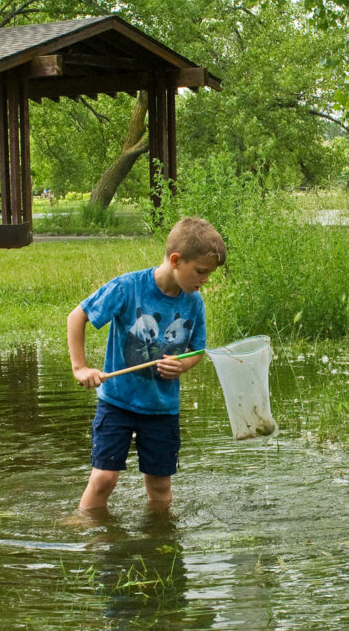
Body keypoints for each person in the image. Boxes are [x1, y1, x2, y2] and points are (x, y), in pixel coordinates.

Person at [67, 217, 226, 513]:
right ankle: (87, 536)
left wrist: (184, 364)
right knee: (104, 479)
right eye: (201, 272)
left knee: (160, 487)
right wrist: (80, 367)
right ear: (176, 260)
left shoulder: (194, 303)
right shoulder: (128, 287)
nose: (204, 280)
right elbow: (77, 317)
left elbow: (197, 350)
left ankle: (158, 544)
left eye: (208, 275)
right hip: (117, 402)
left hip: (162, 409)